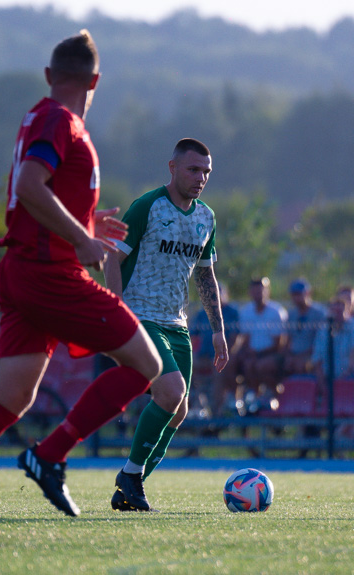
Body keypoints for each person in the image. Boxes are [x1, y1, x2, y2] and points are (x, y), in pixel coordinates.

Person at [0, 30, 162, 536]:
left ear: (48, 75)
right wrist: (82, 243)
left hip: (21, 273)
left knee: (10, 398)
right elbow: (29, 186)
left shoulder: (42, 117)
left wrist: (86, 227)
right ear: (96, 80)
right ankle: (50, 455)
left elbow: (37, 196)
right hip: (49, 276)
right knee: (146, 365)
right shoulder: (60, 120)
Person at [103, 138, 229, 512]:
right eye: (193, 169)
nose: (201, 177)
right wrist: (115, 312)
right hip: (140, 317)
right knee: (171, 392)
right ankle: (130, 479)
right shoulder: (148, 206)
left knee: (180, 410)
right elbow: (111, 259)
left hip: (176, 323)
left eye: (206, 171)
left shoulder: (207, 217)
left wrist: (219, 329)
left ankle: (130, 482)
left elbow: (206, 277)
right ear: (172, 168)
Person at [236, 277, 288, 399]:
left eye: (260, 291)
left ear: (267, 291)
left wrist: (259, 353)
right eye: (254, 291)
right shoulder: (246, 312)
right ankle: (256, 398)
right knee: (248, 366)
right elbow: (245, 338)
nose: (258, 294)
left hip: (272, 354)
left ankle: (275, 395)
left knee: (261, 366)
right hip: (253, 355)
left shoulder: (276, 312)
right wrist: (251, 353)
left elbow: (279, 343)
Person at [191, 283, 239, 414]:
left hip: (221, 357)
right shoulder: (202, 314)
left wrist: (223, 354)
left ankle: (215, 410)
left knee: (218, 369)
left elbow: (235, 338)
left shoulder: (232, 313)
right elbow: (192, 336)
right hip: (203, 355)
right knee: (187, 364)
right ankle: (197, 404)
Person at [310, 296, 354, 382]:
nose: (337, 314)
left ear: (348, 310)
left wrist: (344, 377)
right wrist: (322, 383)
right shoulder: (323, 330)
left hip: (353, 376)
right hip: (328, 377)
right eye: (334, 311)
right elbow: (317, 359)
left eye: (340, 311)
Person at [283, 278, 327, 376]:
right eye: (294, 295)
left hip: (312, 354)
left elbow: (320, 341)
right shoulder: (292, 314)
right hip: (294, 354)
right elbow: (288, 338)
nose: (296, 298)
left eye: (299, 294)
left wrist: (302, 356)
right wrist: (288, 356)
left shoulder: (319, 314)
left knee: (301, 365)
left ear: (307, 293)